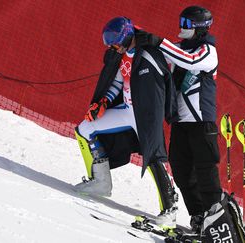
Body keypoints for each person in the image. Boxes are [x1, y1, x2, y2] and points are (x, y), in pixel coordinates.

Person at [73, 16, 179, 228]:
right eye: (110, 43)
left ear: (127, 37)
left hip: (145, 116)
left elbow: (167, 78)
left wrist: (164, 112)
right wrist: (103, 102)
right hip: (127, 111)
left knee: (153, 157)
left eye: (115, 42)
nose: (113, 47)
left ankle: (170, 211)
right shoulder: (122, 56)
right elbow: (117, 83)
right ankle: (101, 182)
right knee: (85, 129)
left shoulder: (148, 53)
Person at [157, 6, 222, 233]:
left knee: (205, 171)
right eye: (180, 22)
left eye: (186, 24)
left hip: (201, 123)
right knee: (182, 170)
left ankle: (217, 221)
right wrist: (139, 39)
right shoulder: (178, 48)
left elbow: (191, 61)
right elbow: (164, 53)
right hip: (181, 123)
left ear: (199, 28)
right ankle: (198, 217)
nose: (181, 28)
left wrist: (159, 42)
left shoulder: (207, 51)